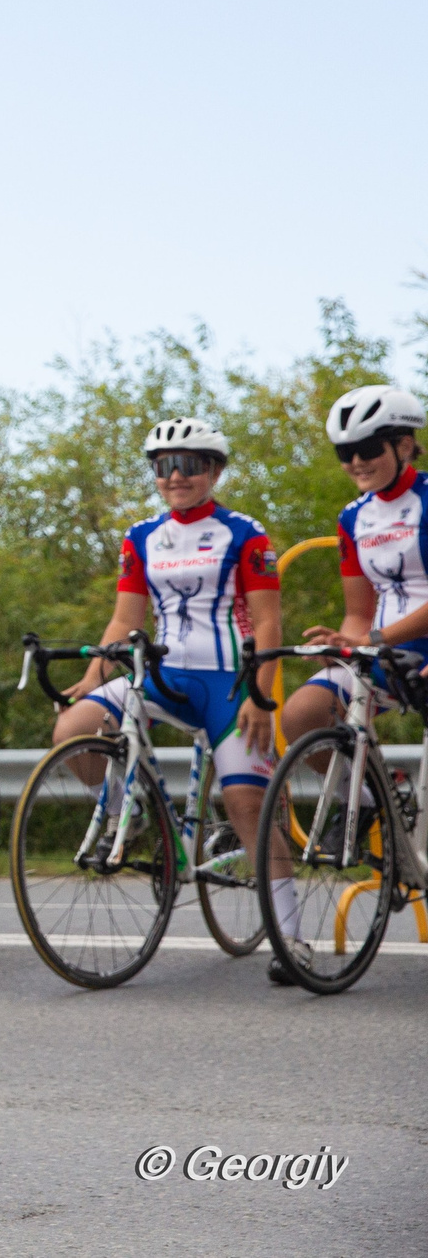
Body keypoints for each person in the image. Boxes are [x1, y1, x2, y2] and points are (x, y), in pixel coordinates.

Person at [50, 417, 283, 972]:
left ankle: (289, 937)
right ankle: (149, 819)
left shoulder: (245, 534)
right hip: (162, 673)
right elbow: (125, 619)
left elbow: (271, 625)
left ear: (215, 471)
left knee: (247, 804)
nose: (176, 476)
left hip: (228, 681)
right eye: (164, 466)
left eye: (191, 465)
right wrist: (93, 675)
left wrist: (262, 694)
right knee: (72, 728)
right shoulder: (141, 537)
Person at [271, 385, 425, 974]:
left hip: (413, 645)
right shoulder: (353, 518)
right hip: (385, 649)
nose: (356, 461)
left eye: (368, 446)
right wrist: (346, 645)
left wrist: (375, 640)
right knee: (304, 713)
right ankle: (370, 803)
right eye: (345, 451)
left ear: (404, 444)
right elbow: (359, 611)